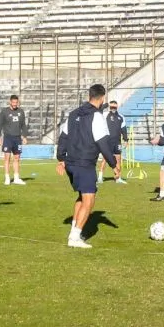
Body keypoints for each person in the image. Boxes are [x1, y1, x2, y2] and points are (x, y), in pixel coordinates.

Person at [58, 84, 118, 249]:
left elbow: (63, 137)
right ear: (102, 98)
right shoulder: (97, 116)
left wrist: (61, 158)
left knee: (81, 197)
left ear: (89, 96)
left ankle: (74, 232)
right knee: (89, 199)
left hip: (71, 163)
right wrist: (114, 165)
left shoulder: (73, 114)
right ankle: (75, 238)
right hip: (84, 163)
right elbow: (103, 143)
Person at [0, 95, 28, 185]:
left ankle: (16, 178)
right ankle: (7, 178)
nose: (14, 104)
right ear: (10, 102)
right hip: (8, 138)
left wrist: (24, 136)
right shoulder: (4, 111)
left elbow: (23, 125)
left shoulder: (21, 111)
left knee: (17, 158)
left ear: (18, 102)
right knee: (7, 158)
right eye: (13, 102)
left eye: (16, 102)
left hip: (17, 138)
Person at [98, 100, 128, 184]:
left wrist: (126, 139)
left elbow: (124, 129)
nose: (113, 108)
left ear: (117, 106)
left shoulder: (121, 117)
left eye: (114, 106)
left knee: (118, 159)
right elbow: (99, 110)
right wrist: (106, 105)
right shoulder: (105, 114)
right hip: (107, 141)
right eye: (112, 107)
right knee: (105, 159)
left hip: (117, 142)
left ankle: (118, 178)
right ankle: (100, 177)